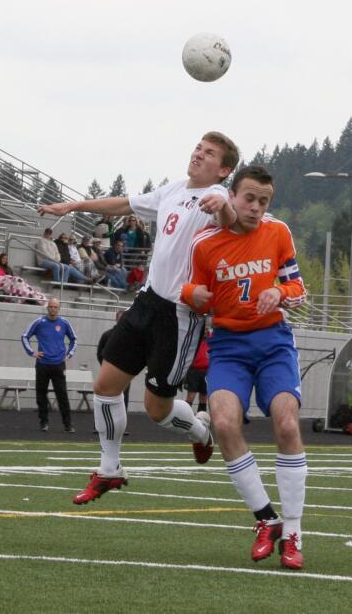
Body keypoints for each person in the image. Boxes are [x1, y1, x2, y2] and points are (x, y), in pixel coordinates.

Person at [39, 131, 239, 505]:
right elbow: (123, 204)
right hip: (146, 302)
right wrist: (74, 206)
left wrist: (222, 205)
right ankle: (110, 469)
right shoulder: (173, 190)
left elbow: (231, 223)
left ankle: (200, 432)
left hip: (180, 315)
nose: (198, 154)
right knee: (105, 386)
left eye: (209, 153)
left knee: (157, 411)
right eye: (198, 147)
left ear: (224, 170)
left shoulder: (220, 197)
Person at [181, 164, 308, 570]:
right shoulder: (204, 244)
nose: (256, 208)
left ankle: (292, 533)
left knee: (287, 424)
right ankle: (264, 518)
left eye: (264, 201)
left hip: (273, 342)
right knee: (222, 423)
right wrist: (192, 293)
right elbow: (189, 289)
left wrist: (279, 292)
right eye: (249, 198)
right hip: (228, 346)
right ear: (232, 195)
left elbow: (299, 289)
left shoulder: (278, 232)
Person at [20, 298, 78, 432]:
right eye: (51, 306)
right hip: (42, 364)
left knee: (62, 394)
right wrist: (32, 352)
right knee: (41, 394)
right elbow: (24, 336)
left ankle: (68, 424)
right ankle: (43, 422)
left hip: (58, 364)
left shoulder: (64, 323)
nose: (53, 309)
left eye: (55, 307)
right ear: (47, 308)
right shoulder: (39, 322)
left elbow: (74, 339)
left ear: (59, 309)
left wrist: (69, 355)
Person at [185, 327, 210, 413]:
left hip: (207, 372)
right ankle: (186, 417)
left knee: (204, 397)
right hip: (194, 371)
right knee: (191, 396)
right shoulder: (193, 339)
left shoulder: (211, 339)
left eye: (207, 330)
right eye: (204, 329)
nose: (205, 331)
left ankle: (201, 419)